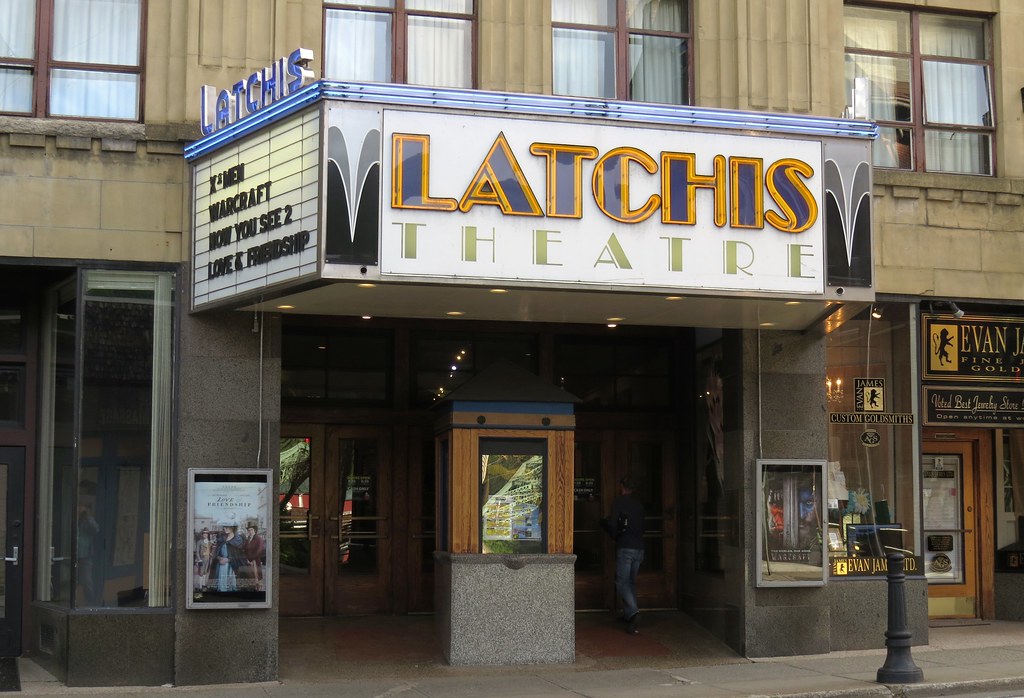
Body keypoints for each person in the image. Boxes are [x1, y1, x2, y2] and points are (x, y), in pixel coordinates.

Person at [600, 476, 645, 634]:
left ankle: (633, 612)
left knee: (621, 582)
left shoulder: (619, 502)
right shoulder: (639, 504)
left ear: (622, 487)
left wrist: (609, 530)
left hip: (625, 547)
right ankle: (628, 615)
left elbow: (613, 525)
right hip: (639, 548)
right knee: (631, 582)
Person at [210, 524, 245, 592]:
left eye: (227, 527)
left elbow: (240, 556)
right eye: (224, 527)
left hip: (232, 566)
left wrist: (228, 559)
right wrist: (219, 558)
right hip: (220, 566)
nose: (224, 528)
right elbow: (216, 552)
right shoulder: (221, 538)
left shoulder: (238, 539)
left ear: (232, 527)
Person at [243, 524, 266, 590]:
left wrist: (251, 559)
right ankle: (252, 589)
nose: (250, 531)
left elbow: (259, 550)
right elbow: (244, 549)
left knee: (256, 576)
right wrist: (246, 558)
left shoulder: (259, 539)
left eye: (251, 529)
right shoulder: (248, 539)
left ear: (255, 530)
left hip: (255, 560)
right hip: (248, 561)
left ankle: (257, 589)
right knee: (250, 576)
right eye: (248, 530)